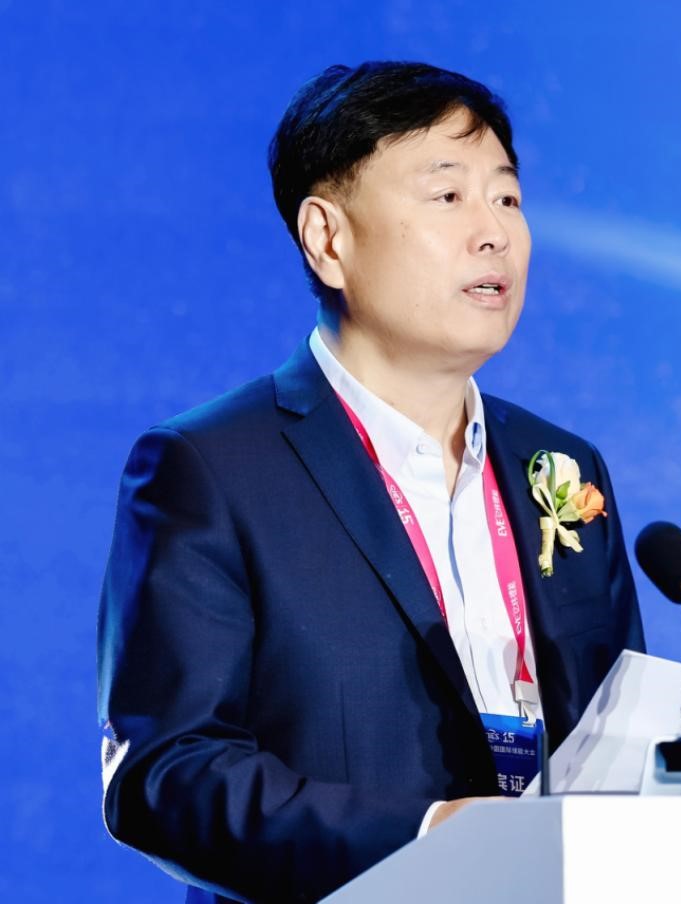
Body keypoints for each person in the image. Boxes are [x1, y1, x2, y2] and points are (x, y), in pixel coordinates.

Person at [96, 61, 645, 903]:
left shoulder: (562, 467)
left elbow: (612, 743)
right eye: (447, 195)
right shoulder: (212, 468)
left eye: (506, 197)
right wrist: (426, 839)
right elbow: (167, 775)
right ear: (328, 239)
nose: (494, 233)